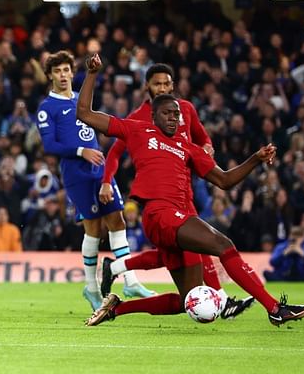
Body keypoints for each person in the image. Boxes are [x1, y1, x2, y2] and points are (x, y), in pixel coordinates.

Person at [78, 54, 304, 327]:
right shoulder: (137, 129)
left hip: (176, 216)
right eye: (167, 113)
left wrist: (255, 159)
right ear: (153, 115)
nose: (174, 119)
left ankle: (116, 309)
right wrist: (92, 74)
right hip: (159, 213)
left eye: (177, 115)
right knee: (223, 245)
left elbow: (224, 180)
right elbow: (84, 113)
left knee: (186, 299)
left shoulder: (187, 148)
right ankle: (275, 308)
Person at [100, 63, 255, 320]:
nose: (161, 87)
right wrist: (107, 180)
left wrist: (206, 150)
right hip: (162, 193)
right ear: (146, 86)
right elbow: (116, 151)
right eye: (156, 84)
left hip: (186, 189)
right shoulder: (139, 117)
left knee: (177, 252)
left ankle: (117, 267)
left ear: (172, 85)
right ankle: (222, 299)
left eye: (165, 83)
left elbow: (203, 138)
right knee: (197, 245)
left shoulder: (185, 110)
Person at [37, 51, 155, 310]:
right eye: (57, 71)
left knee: (117, 218)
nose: (63, 75)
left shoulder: (81, 99)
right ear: (49, 76)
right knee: (93, 227)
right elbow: (49, 145)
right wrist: (81, 151)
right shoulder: (47, 107)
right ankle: (91, 287)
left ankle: (131, 281)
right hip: (76, 173)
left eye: (67, 70)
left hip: (99, 168)